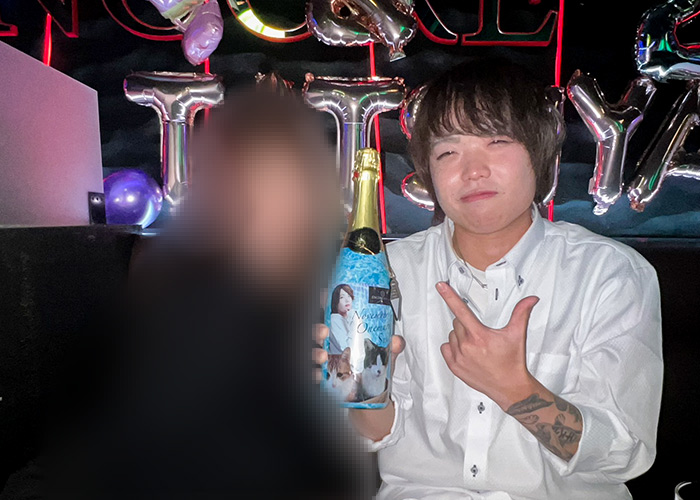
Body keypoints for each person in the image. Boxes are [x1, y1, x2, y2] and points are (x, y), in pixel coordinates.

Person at [1, 88, 374, 500]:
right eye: (250, 185)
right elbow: (120, 433)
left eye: (283, 186)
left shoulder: (345, 304)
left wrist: (347, 394)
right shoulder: (186, 302)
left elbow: (359, 462)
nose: (269, 208)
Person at [344, 59, 663, 499]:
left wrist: (515, 390)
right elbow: (370, 435)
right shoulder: (388, 272)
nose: (473, 170)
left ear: (539, 154)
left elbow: (623, 454)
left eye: (496, 141)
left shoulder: (609, 274)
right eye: (448, 152)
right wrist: (362, 386)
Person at [329, 284, 356, 354]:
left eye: (349, 296)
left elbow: (366, 339)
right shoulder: (334, 320)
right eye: (342, 297)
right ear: (336, 302)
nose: (347, 300)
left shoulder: (351, 317)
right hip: (341, 360)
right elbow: (345, 349)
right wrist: (353, 323)